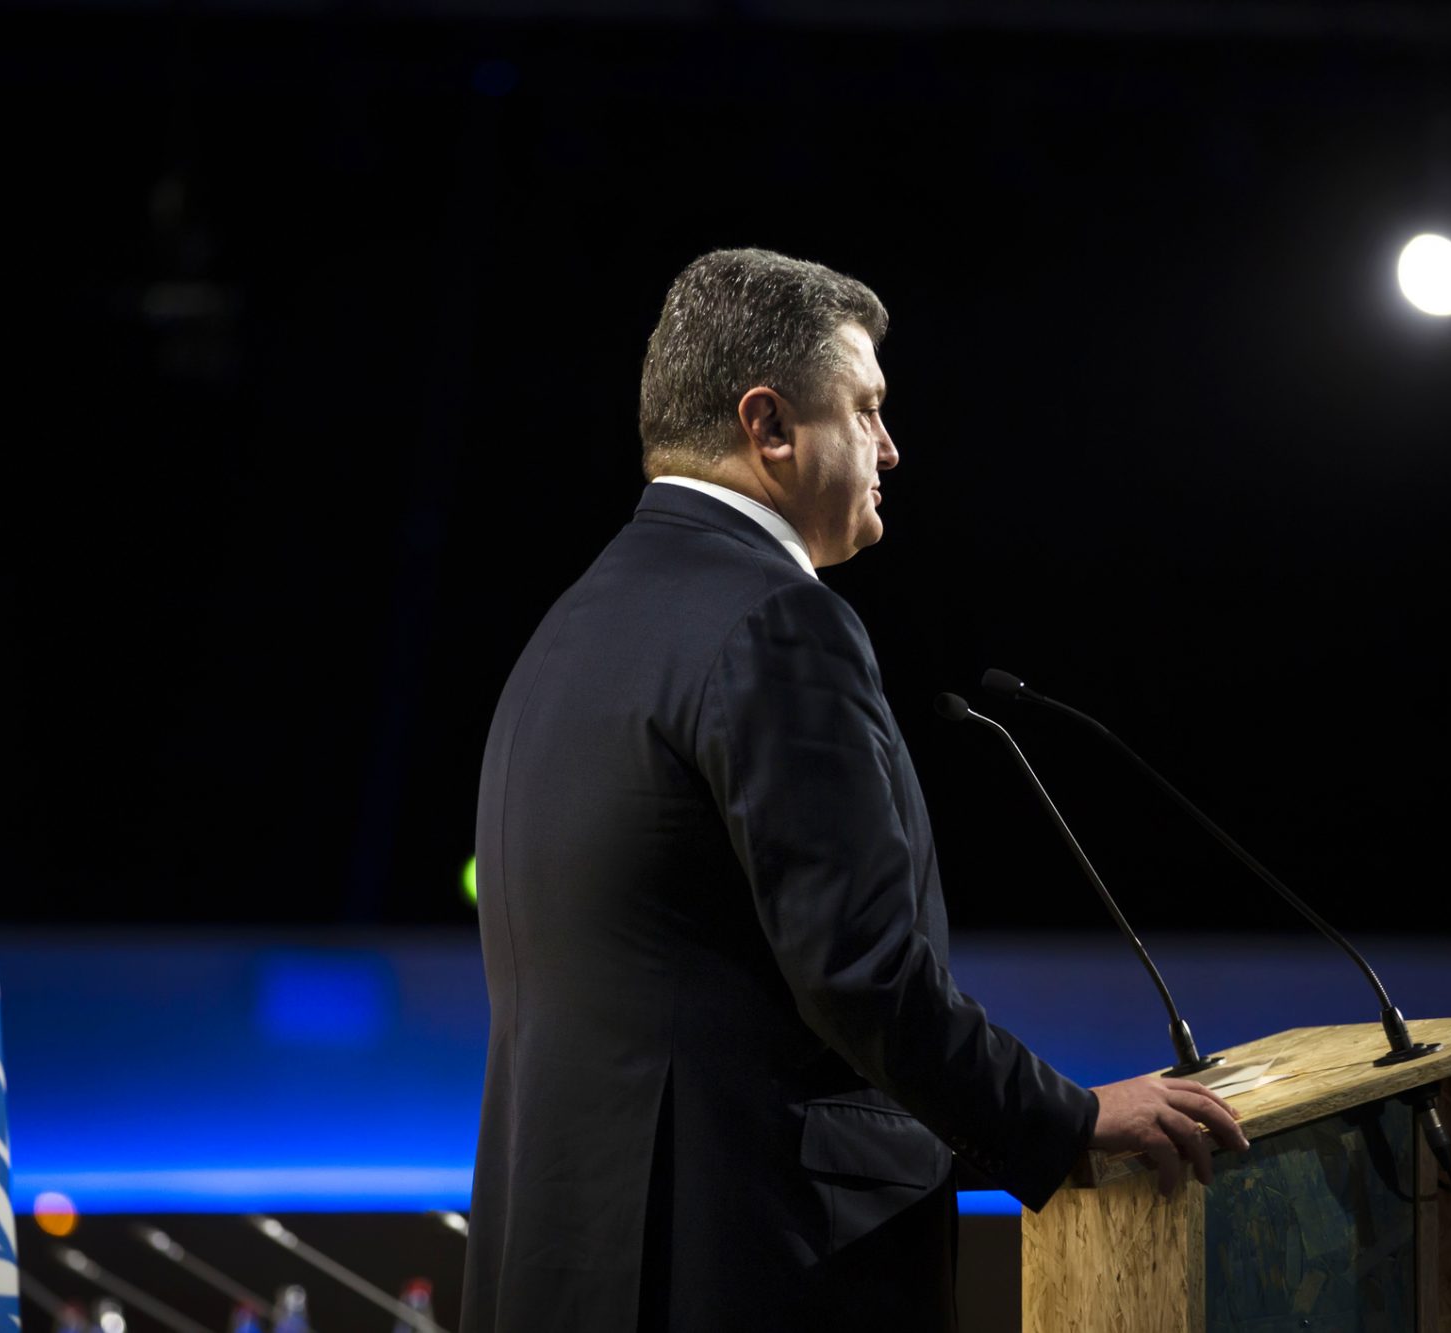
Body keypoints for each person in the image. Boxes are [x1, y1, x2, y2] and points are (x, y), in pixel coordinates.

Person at [462, 248, 1245, 1331]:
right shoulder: (777, 623)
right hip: (755, 1279)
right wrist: (1063, 1120)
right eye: (866, 409)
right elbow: (861, 974)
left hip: (573, 1273)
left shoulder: (570, 632)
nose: (889, 447)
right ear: (769, 426)